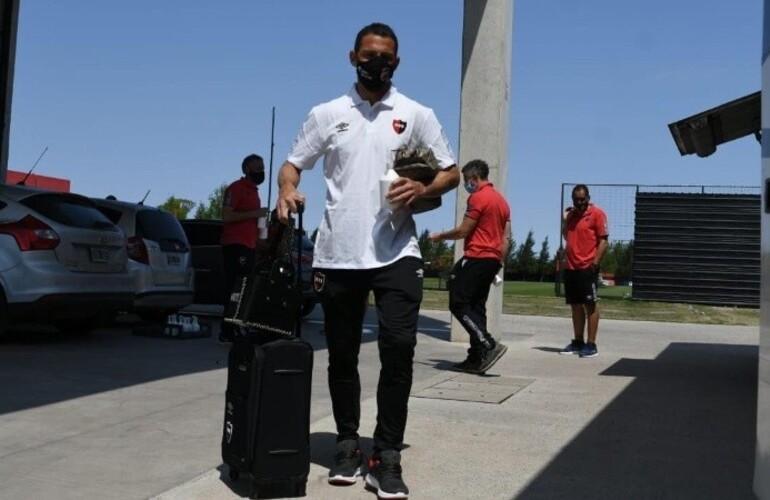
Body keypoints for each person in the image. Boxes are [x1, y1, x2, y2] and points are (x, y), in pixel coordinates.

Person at [276, 22, 459, 500]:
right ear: (352, 57)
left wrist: (423, 188)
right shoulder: (327, 114)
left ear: (396, 63)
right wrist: (288, 188)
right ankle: (346, 443)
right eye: (368, 55)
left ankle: (387, 453)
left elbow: (452, 171)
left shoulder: (416, 113)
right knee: (342, 355)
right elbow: (294, 163)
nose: (376, 63)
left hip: (397, 252)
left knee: (398, 349)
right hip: (338, 254)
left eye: (386, 57)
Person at [428, 159, 511, 375]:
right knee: (476, 306)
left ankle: (488, 344)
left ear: (475, 178)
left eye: (466, 180)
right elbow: (507, 238)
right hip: (493, 259)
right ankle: (476, 358)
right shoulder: (502, 202)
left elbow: (464, 231)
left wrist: (441, 236)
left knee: (458, 302)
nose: (466, 184)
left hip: (477, 256)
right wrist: (498, 262)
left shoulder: (478, 198)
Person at [219, 154, 269, 342]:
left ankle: (238, 326)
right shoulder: (236, 188)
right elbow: (227, 216)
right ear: (248, 169)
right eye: (258, 168)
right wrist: (255, 213)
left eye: (263, 168)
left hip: (249, 246)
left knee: (245, 289)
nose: (261, 172)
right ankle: (227, 330)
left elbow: (254, 222)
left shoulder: (255, 192)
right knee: (235, 288)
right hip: (235, 245)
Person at [560, 184, 609, 358]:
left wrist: (595, 263)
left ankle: (591, 344)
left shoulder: (597, 214)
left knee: (591, 306)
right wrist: (565, 220)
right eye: (576, 199)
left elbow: (604, 241)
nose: (579, 202)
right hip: (571, 267)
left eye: (582, 199)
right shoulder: (572, 215)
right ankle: (578, 341)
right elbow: (566, 236)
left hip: (587, 267)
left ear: (588, 198)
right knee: (575, 306)